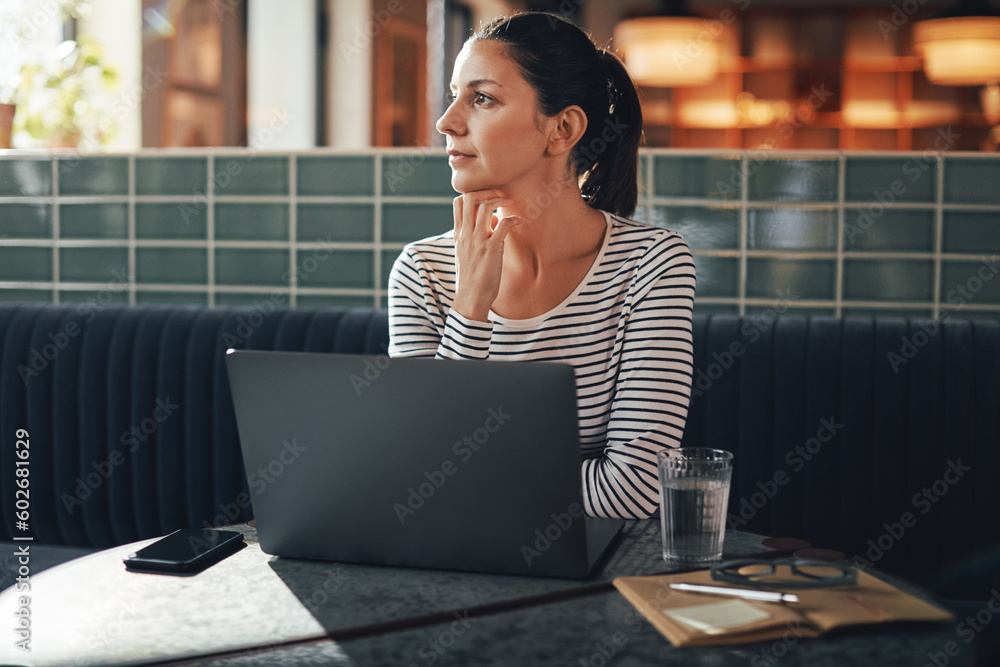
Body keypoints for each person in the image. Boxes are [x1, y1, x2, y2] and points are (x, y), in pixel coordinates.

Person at [387, 11, 695, 519]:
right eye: (454, 95)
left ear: (563, 129)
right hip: (451, 558)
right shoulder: (423, 269)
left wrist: (468, 474)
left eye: (481, 98)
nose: (446, 122)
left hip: (594, 574)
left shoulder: (651, 265)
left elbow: (636, 490)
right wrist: (469, 308)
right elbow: (420, 474)